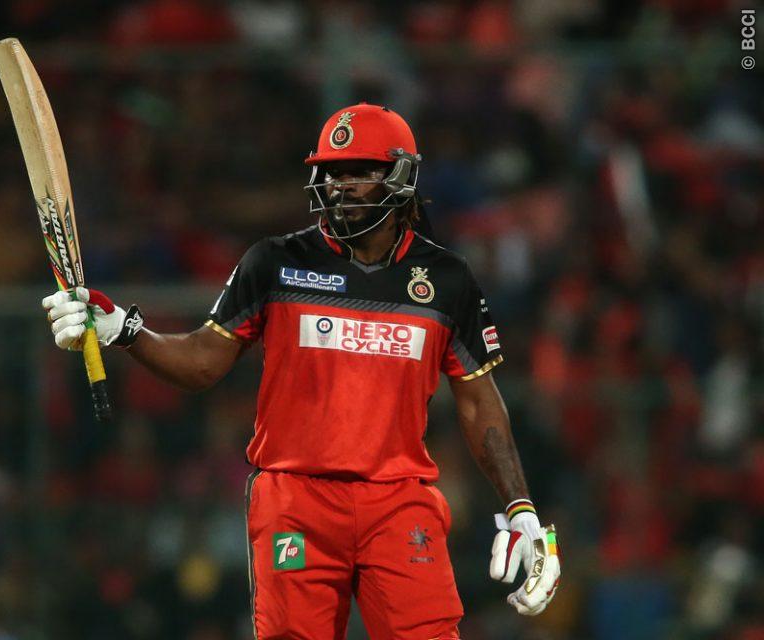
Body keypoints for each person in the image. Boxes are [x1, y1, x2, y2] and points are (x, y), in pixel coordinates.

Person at [43, 103, 561, 639]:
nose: (341, 186)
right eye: (332, 172)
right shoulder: (274, 262)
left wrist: (521, 509)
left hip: (398, 500)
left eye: (359, 171)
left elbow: (479, 401)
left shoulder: (447, 280)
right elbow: (202, 362)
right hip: (296, 500)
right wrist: (124, 331)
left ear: (402, 176)